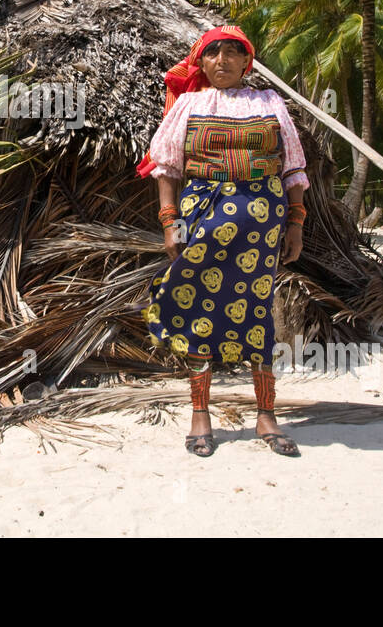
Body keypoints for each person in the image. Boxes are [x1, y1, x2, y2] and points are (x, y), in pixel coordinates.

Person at [136, 25, 308, 457]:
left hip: (262, 226)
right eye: (213, 54)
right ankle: (200, 413)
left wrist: (296, 222)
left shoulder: (269, 102)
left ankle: (266, 414)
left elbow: (292, 167)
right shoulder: (190, 104)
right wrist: (169, 221)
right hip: (201, 218)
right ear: (201, 62)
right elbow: (167, 167)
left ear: (247, 61)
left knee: (258, 309)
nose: (223, 61)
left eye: (232, 53)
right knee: (197, 305)